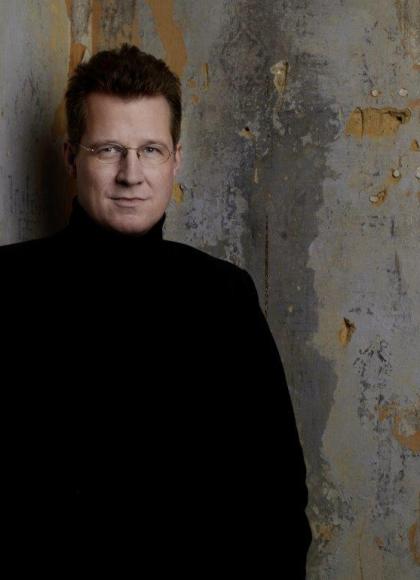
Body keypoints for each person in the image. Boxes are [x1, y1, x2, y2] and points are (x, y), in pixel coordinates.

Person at [1, 44, 311, 575]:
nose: (131, 174)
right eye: (108, 150)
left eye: (150, 150)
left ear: (176, 160)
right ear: (71, 157)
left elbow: (277, 499)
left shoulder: (225, 297)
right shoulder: (6, 287)